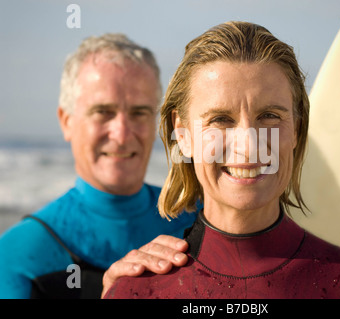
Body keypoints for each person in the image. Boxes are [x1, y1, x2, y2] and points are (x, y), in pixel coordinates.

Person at [103, 21, 340, 299]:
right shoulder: (137, 291)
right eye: (221, 119)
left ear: (296, 129)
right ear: (183, 135)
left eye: (269, 116)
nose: (248, 146)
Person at [0, 34, 197, 299]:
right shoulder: (16, 256)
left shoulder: (203, 223)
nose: (122, 134)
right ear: (66, 121)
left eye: (139, 112)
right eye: (103, 112)